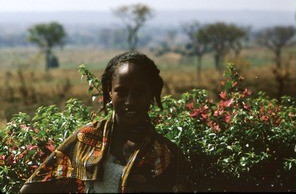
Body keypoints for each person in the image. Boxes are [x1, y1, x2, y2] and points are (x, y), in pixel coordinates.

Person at [20, 51, 194, 193]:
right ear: (109, 92)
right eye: (121, 91)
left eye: (139, 91)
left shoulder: (168, 155)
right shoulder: (85, 139)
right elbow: (30, 189)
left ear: (152, 94)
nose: (130, 101)